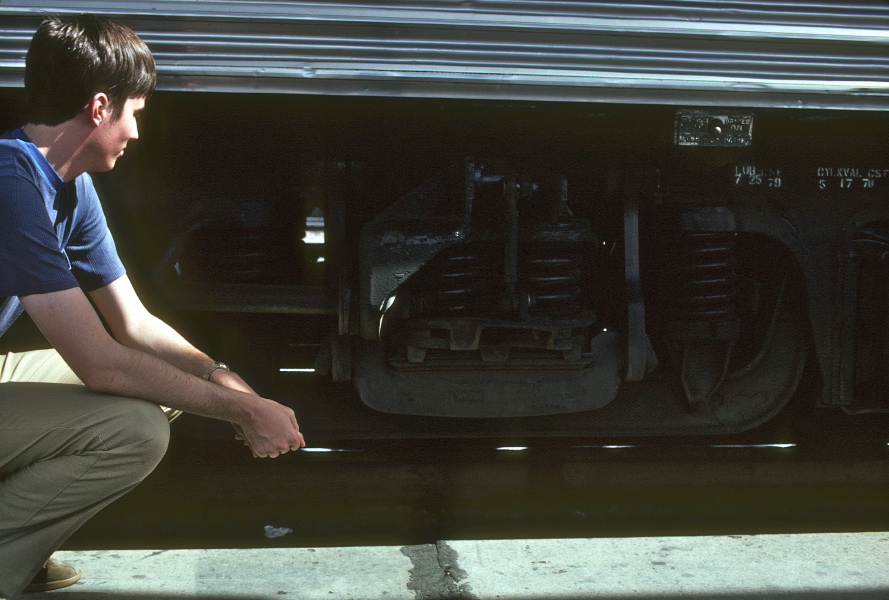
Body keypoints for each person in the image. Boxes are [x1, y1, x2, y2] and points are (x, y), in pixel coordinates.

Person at [0, 14, 306, 598]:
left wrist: (228, 382)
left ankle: (23, 542)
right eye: (134, 112)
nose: (136, 132)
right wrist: (240, 415)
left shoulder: (66, 182)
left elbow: (133, 326)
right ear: (98, 108)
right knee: (134, 429)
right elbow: (102, 364)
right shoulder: (10, 183)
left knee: (158, 392)